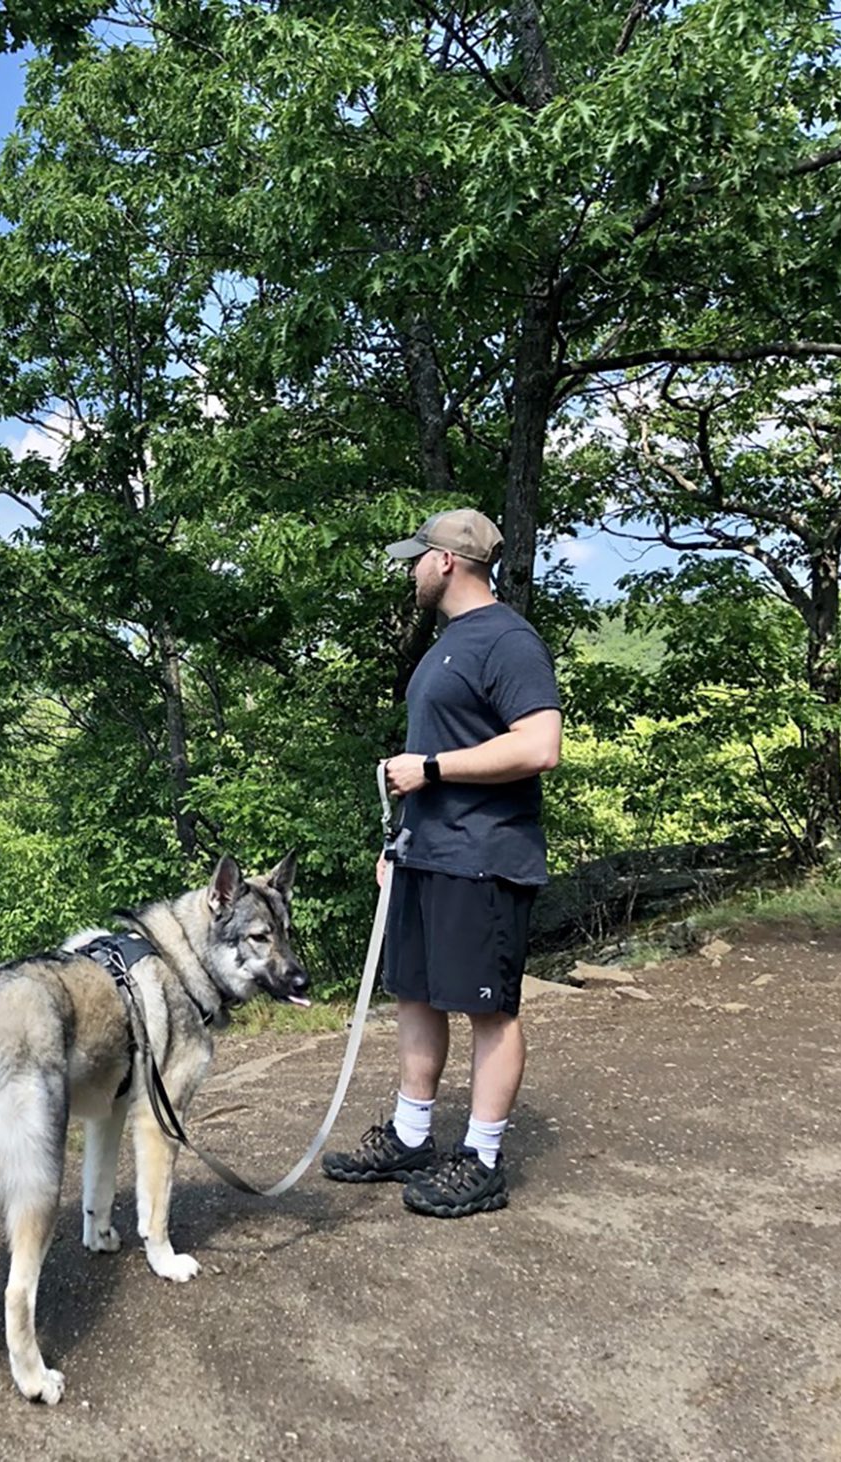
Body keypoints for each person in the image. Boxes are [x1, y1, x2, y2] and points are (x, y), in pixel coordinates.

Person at [322, 508, 562, 1217]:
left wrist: (431, 766)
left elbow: (539, 744)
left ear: (447, 563)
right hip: (426, 854)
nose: (411, 570)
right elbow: (429, 763)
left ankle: (482, 1160)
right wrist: (398, 844)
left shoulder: (509, 641)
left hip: (484, 857)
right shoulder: (447, 645)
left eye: (416, 558)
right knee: (417, 994)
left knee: (490, 1009)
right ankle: (410, 1135)